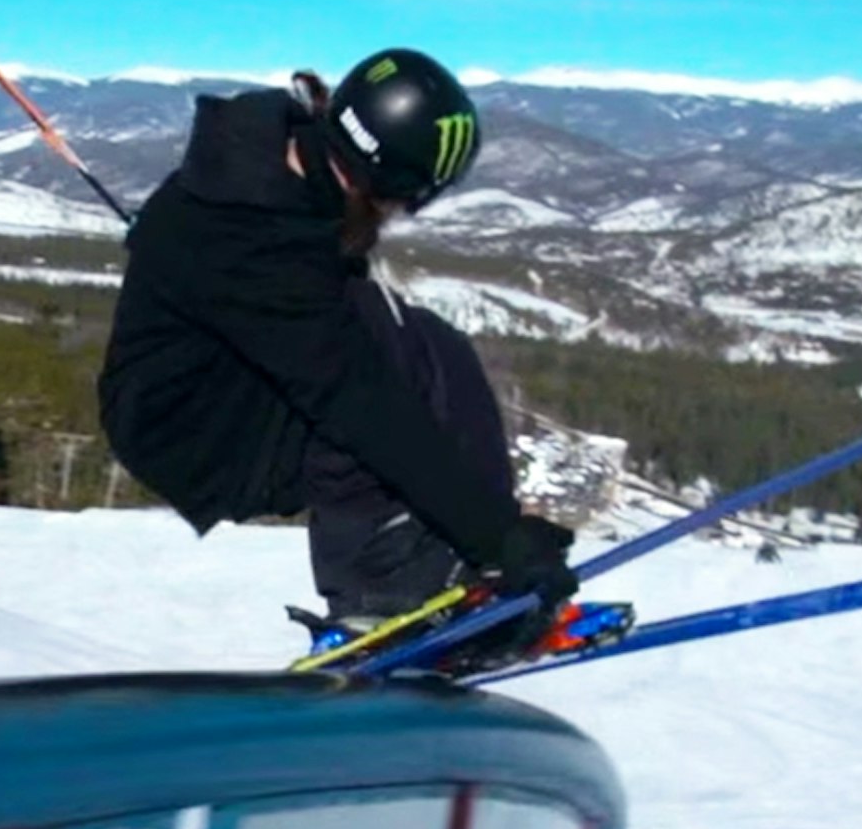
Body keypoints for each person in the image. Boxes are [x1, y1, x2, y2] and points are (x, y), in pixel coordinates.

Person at [98, 47, 578, 640]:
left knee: (430, 344)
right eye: (410, 199)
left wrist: (498, 533)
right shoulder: (257, 240)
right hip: (184, 429)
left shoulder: (276, 164)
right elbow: (362, 404)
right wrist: (498, 536)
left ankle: (462, 567)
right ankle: (379, 592)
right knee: (375, 387)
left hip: (206, 382)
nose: (401, 214)